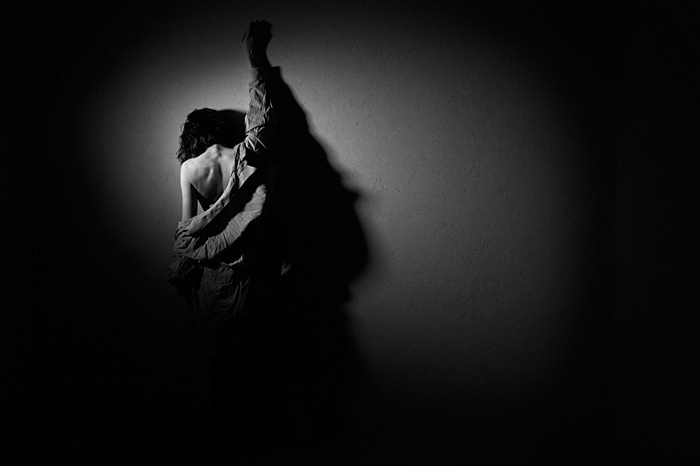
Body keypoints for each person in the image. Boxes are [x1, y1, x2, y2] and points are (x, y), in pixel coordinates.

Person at [168, 20, 284, 331]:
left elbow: (189, 229)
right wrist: (254, 61)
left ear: (192, 139)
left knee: (221, 349)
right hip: (254, 272)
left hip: (215, 279)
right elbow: (262, 117)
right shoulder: (246, 154)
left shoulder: (189, 169)